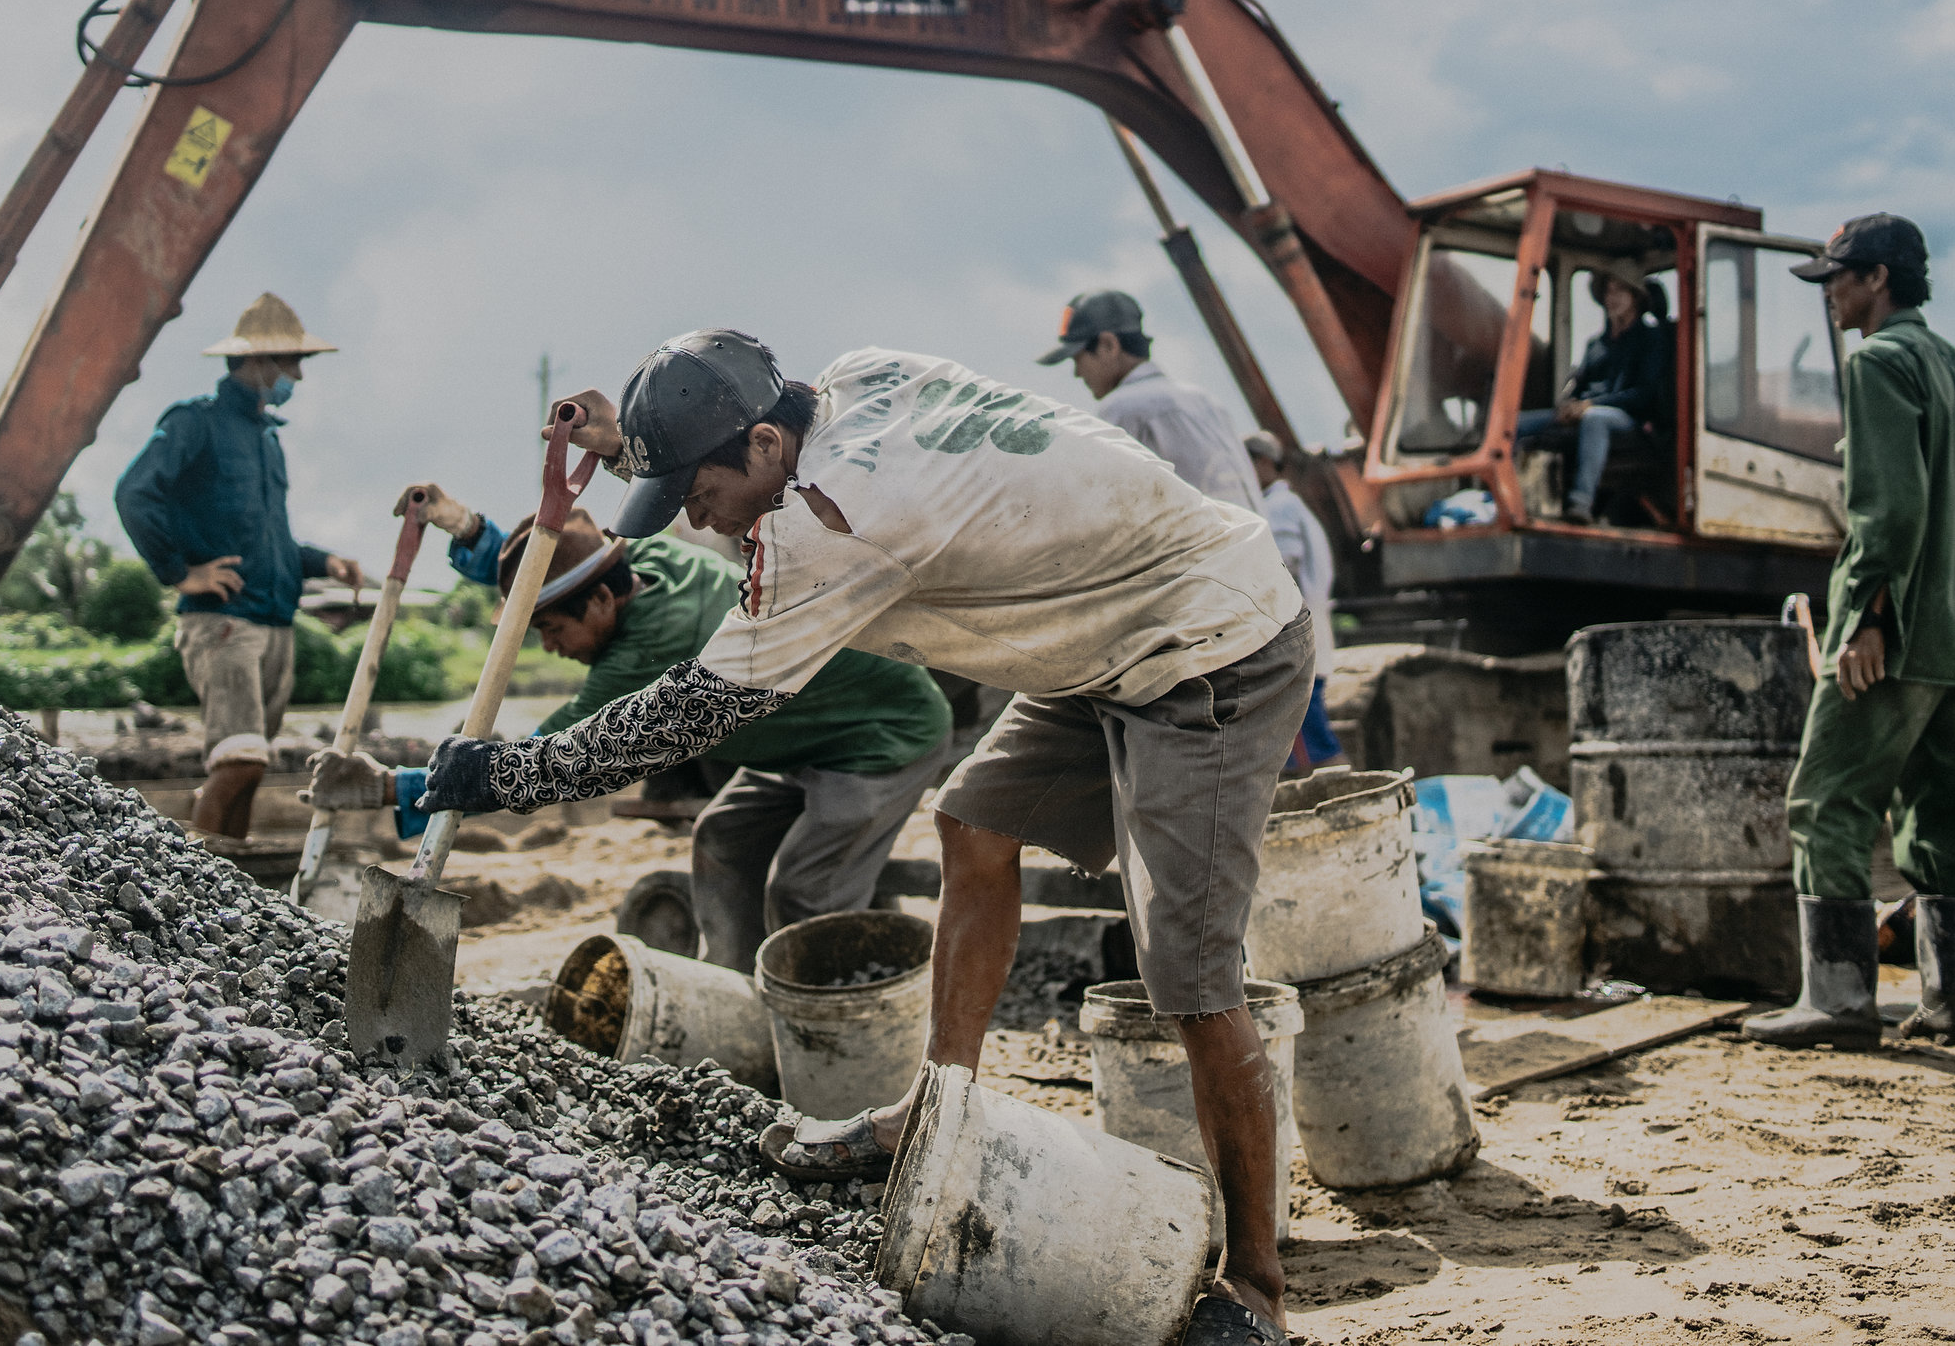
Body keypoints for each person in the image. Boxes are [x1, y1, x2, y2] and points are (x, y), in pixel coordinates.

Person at [417, 330, 1310, 1346]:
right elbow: (729, 453)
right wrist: (636, 449)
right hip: (1103, 633)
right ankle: (937, 1111)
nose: (691, 519)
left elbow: (688, 714)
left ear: (763, 442)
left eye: (696, 491)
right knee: (972, 822)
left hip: (1208, 642)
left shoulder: (834, 527)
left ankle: (1256, 1285)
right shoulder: (856, 378)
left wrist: (511, 773)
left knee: (1187, 972)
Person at [393, 488, 953, 972]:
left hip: (880, 738)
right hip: (805, 739)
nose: (549, 647)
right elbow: (564, 558)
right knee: (722, 837)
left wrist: (397, 789)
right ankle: (735, 988)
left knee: (806, 891)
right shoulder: (642, 559)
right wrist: (471, 531)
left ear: (603, 601)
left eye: (552, 628)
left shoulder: (650, 648)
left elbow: (551, 759)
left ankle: (825, 1031)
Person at [1745, 215, 1955, 1050]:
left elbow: (1888, 510)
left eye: (1838, 278)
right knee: (1942, 813)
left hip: (1896, 634)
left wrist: (1865, 621)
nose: (1830, 294)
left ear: (1879, 278)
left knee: (1824, 802)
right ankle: (1950, 1003)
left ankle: (1840, 1001)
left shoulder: (1881, 365)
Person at [115, 293, 363, 837]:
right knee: (239, 760)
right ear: (254, 362)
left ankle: (228, 879)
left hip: (275, 622)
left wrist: (327, 563)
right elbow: (135, 494)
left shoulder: (268, 440)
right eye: (289, 362)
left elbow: (271, 544)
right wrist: (181, 573)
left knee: (250, 769)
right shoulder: (195, 424)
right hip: (225, 623)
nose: (297, 374)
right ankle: (192, 885)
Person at [1040, 289, 1264, 514]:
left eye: (1078, 358)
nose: (1077, 373)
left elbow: (1103, 507)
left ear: (1109, 345)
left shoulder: (1123, 408)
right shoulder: (1205, 401)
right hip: (1260, 545)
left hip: (1209, 548)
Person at [1513, 259, 1672, 523]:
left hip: (1629, 419)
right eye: (1609, 291)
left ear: (1635, 298)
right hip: (1586, 411)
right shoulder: (1596, 345)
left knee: (1595, 419)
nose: (1613, 298)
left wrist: (1589, 406)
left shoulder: (1650, 340)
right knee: (1516, 424)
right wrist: (1570, 405)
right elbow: (1580, 383)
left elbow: (1644, 395)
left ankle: (1580, 504)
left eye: (1620, 291)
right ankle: (1509, 501)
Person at [1246, 432, 1342, 770]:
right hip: (1303, 640)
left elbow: (1284, 567)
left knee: (1315, 745)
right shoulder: (1285, 505)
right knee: (1303, 745)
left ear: (1262, 463)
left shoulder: (1278, 507)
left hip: (1294, 641)